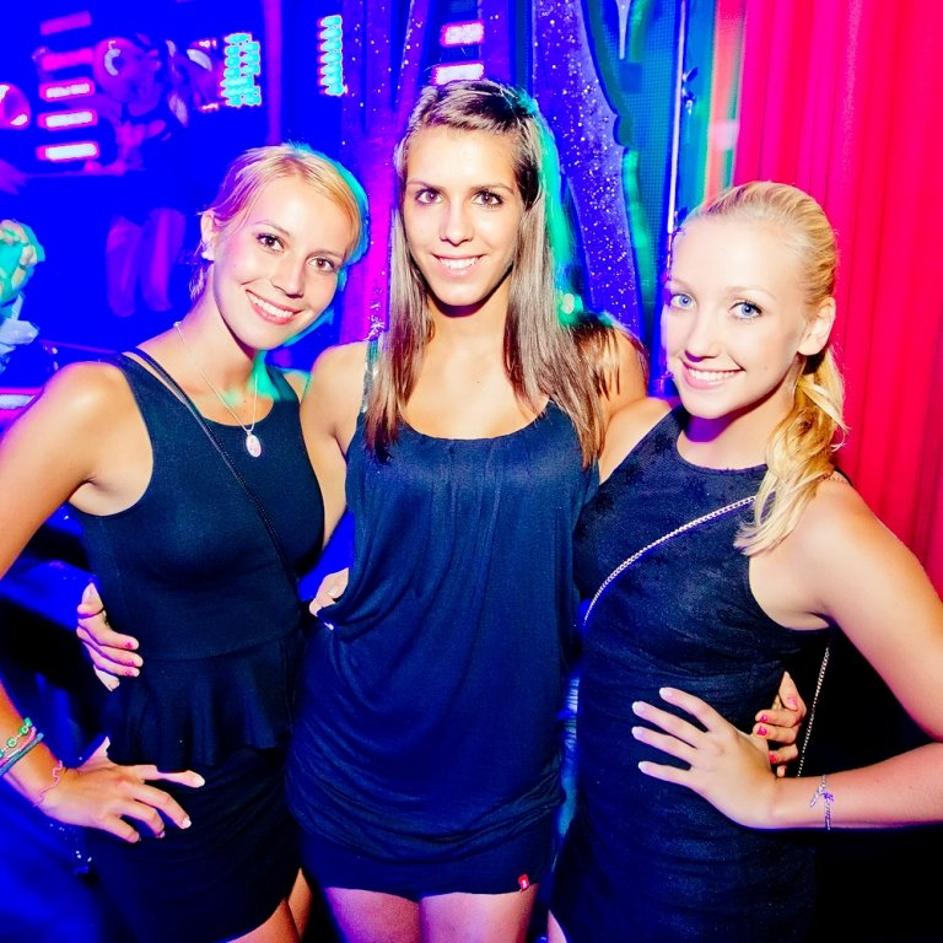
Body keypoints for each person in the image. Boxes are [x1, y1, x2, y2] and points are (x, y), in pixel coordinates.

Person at [77, 83, 804, 943]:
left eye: (486, 196)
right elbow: (267, 544)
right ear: (403, 211)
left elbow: (675, 524)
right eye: (429, 195)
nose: (454, 227)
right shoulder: (349, 380)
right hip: (348, 764)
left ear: (528, 211)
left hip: (501, 781)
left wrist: (756, 658)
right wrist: (130, 596)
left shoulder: (597, 367)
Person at [548, 181, 943, 942]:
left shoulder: (819, 523)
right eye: (683, 299)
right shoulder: (634, 429)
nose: (698, 339)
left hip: (706, 901)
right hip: (591, 864)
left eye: (746, 309)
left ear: (812, 325)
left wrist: (778, 800)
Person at [0, 142, 368, 943]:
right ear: (212, 232)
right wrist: (44, 778)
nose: (291, 281)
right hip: (174, 787)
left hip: (296, 764)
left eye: (323, 262)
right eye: (269, 240)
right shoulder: (99, 400)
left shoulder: (307, 403)